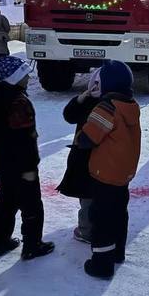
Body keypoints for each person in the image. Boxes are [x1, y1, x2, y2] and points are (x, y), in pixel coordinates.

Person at [0, 56, 55, 261]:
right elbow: (24, 139)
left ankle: (1, 240)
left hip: (3, 163)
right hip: (23, 165)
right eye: (24, 74)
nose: (28, 77)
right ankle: (32, 244)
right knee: (32, 204)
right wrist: (30, 166)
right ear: (14, 79)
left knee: (6, 200)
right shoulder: (18, 103)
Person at [76, 60, 141, 279]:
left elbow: (88, 138)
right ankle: (117, 252)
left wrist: (80, 136)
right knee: (119, 214)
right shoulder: (130, 105)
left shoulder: (106, 108)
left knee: (101, 218)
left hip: (105, 173)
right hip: (123, 174)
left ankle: (102, 264)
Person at [58, 68, 103, 243]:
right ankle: (90, 227)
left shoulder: (102, 104)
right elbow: (69, 116)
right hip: (89, 160)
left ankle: (87, 230)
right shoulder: (92, 102)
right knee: (90, 196)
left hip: (89, 158)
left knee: (89, 197)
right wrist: (78, 100)